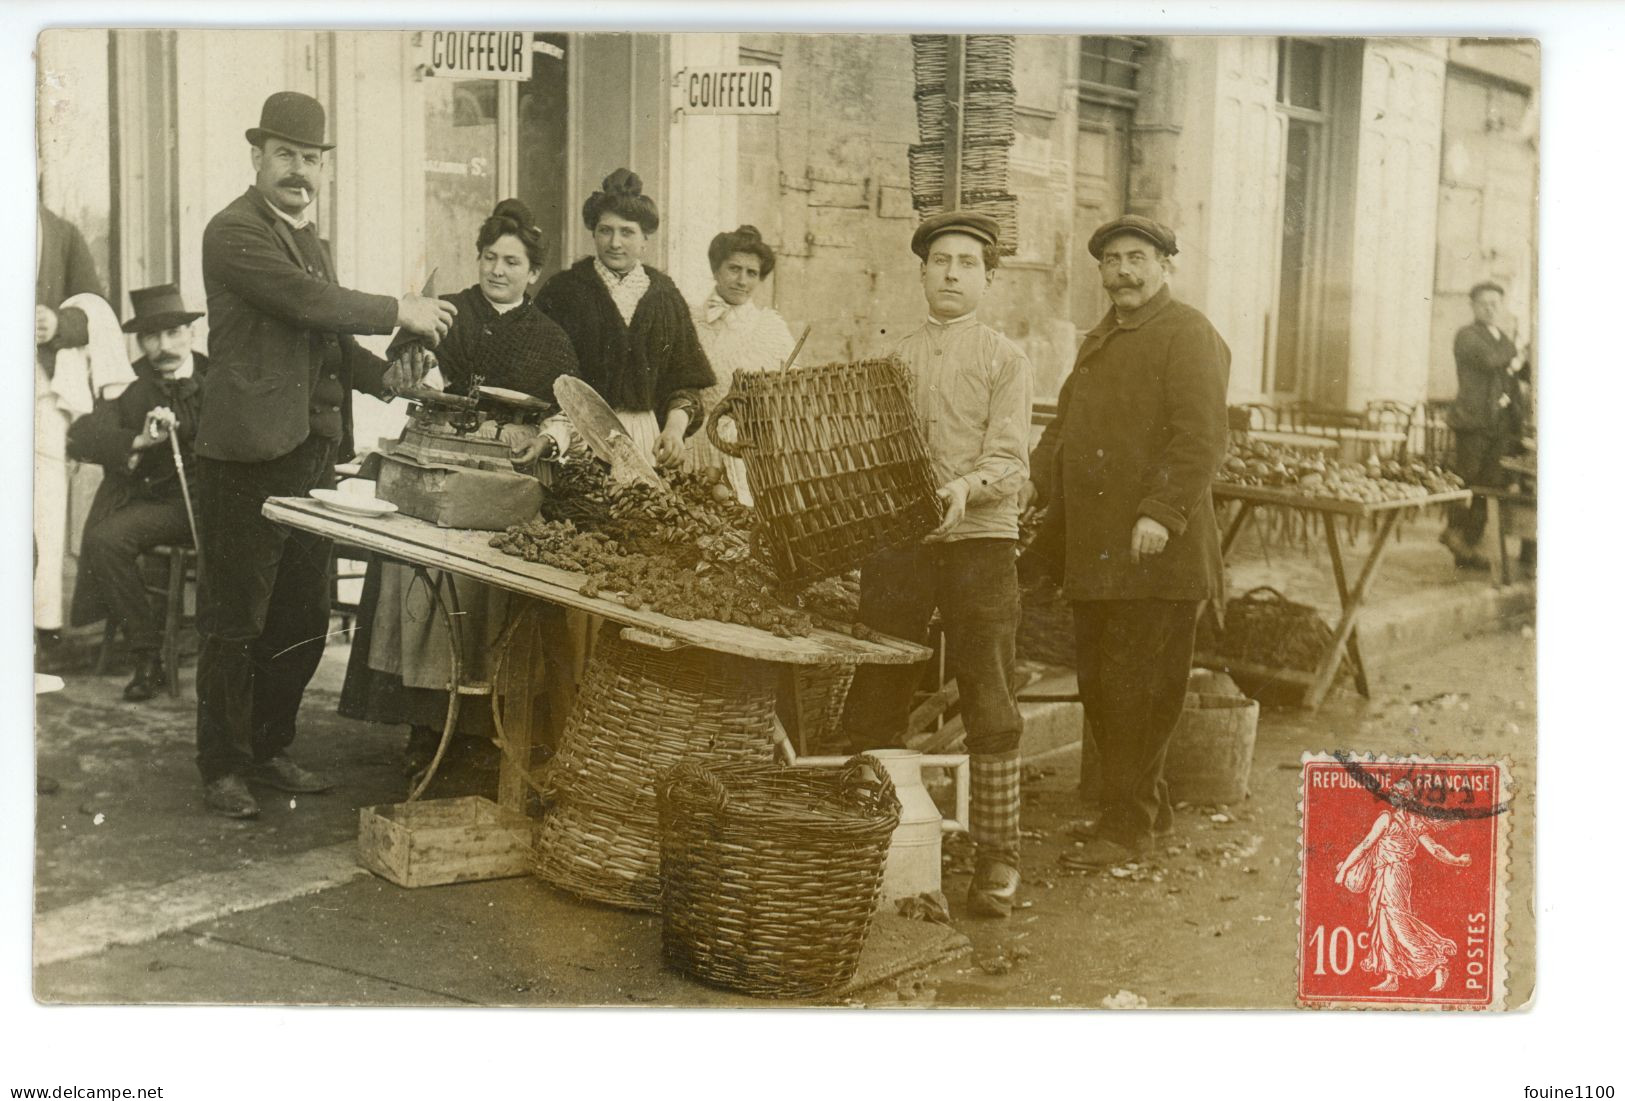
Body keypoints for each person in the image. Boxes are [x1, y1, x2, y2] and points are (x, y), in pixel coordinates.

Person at [193, 91, 456, 819]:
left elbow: (330, 341)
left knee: (301, 616)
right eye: (285, 155)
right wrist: (399, 308)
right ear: (257, 158)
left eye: (309, 158)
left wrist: (396, 383)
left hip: (311, 458)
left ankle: (270, 747)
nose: (298, 170)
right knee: (234, 621)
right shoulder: (232, 232)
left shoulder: (311, 242)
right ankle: (222, 765)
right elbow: (308, 305)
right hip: (245, 458)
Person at [340, 198, 580, 788]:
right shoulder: (444, 313)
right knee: (427, 585)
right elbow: (403, 375)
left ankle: (485, 732)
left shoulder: (550, 336)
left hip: (506, 478)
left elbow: (568, 414)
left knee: (488, 597)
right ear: (478, 260)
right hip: (436, 458)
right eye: (490, 257)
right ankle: (425, 729)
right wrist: (416, 362)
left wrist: (545, 442)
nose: (499, 270)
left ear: (534, 274)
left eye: (513, 262)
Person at [839, 210, 1034, 918]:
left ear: (987, 278)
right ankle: (874, 843)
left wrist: (963, 489)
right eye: (940, 261)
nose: (952, 273)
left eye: (966, 264)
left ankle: (997, 857)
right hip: (901, 543)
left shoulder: (1004, 358)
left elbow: (1010, 458)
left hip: (980, 539)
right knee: (878, 688)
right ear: (920, 272)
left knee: (988, 690)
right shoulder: (893, 357)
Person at [1028, 214, 1230, 869]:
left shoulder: (1187, 334)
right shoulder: (1102, 337)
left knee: (1141, 689)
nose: (1122, 271)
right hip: (1098, 551)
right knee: (1105, 683)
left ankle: (1128, 828)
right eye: (1111, 260)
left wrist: (1160, 512)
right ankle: (1144, 808)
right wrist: (1035, 482)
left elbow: (1198, 436)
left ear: (1166, 265)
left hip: (1156, 553)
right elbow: (1063, 425)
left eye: (1136, 257)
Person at [66, 285, 209, 701]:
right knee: (105, 540)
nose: (162, 347)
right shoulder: (127, 383)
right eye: (151, 337)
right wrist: (138, 440)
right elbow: (83, 434)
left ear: (190, 333)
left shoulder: (219, 374)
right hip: (164, 505)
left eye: (172, 334)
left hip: (218, 502)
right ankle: (149, 655)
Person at [535, 168, 714, 465]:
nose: (614, 243)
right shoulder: (563, 291)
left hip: (645, 441)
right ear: (593, 233)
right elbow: (542, 373)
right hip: (574, 438)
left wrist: (673, 429)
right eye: (605, 230)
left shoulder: (665, 296)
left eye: (627, 232)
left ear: (645, 239)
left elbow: (685, 383)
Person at [36, 202, 115, 656]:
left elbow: (96, 312)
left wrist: (58, 323)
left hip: (38, 389)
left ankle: (43, 621)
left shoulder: (61, 233)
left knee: (46, 505)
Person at [685, 225, 797, 505]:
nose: (742, 280)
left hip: (750, 447)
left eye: (752, 273)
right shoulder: (690, 321)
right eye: (734, 269)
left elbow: (792, 392)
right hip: (698, 443)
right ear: (716, 270)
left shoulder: (771, 328)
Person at [1334, 779, 1471, 993]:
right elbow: (1435, 849)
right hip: (1389, 874)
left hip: (1392, 874)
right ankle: (1392, 977)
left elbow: (1365, 846)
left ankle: (1437, 963)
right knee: (1385, 923)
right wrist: (1457, 860)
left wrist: (1343, 871)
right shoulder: (1415, 823)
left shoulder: (1387, 819)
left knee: (1397, 922)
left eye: (1397, 794)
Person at [1441, 281, 1525, 569]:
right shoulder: (1467, 336)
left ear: (1501, 307)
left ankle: (1469, 545)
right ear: (1473, 306)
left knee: (1488, 485)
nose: (1490, 308)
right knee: (1466, 479)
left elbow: (1516, 370)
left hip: (1498, 423)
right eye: (1484, 303)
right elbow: (1491, 361)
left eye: (1495, 304)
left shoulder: (1502, 337)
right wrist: (1515, 354)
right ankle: (1453, 533)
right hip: (1473, 421)